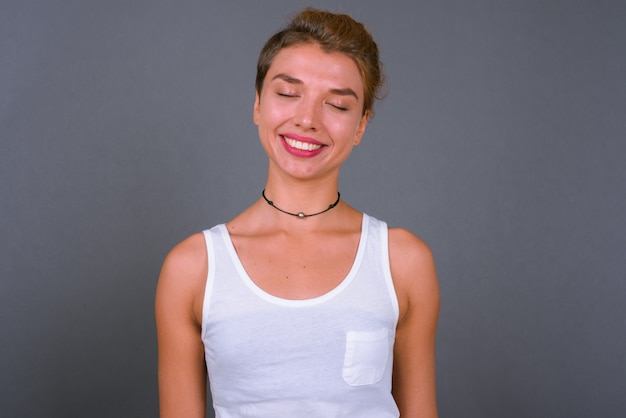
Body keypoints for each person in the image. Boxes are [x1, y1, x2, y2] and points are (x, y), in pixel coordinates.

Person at [156, 8, 440, 418]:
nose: (306, 119)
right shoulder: (192, 268)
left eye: (338, 106)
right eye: (288, 94)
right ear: (257, 105)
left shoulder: (403, 262)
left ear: (361, 125)